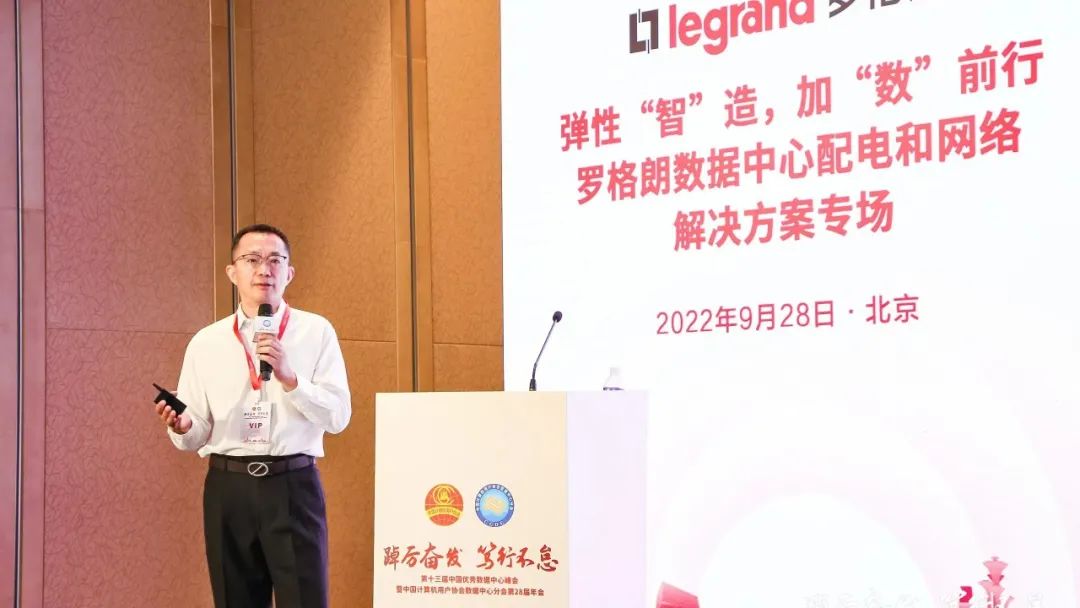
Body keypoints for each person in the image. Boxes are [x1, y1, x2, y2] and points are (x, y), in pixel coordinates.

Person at [154, 223, 350, 607]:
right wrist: (184, 424)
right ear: (233, 272)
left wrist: (291, 378)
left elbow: (338, 417)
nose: (264, 270)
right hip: (228, 489)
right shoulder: (206, 342)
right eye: (252, 260)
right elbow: (196, 431)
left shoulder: (316, 332)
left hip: (293, 486)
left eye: (275, 260)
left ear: (289, 272)